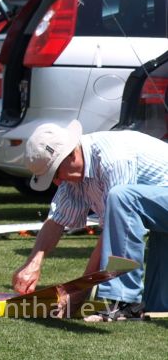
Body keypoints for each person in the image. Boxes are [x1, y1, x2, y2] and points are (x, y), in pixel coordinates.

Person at [12, 122, 168, 320]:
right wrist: (32, 263)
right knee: (156, 307)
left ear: (71, 155)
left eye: (55, 173)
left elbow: (116, 231)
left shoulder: (113, 158)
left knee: (122, 197)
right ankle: (144, 305)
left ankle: (124, 302)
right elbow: (56, 220)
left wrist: (80, 289)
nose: (57, 182)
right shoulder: (74, 173)